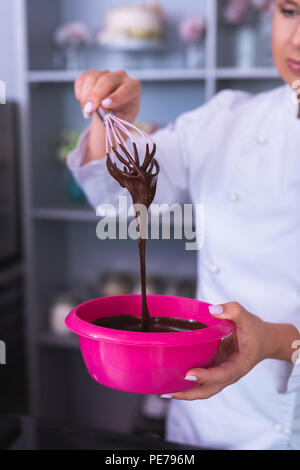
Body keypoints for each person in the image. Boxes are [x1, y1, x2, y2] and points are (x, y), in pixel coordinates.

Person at [67, 0, 300, 450]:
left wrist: (275, 341)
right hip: (212, 419)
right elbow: (121, 206)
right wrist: (113, 120)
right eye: (290, 11)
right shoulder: (226, 118)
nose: (297, 39)